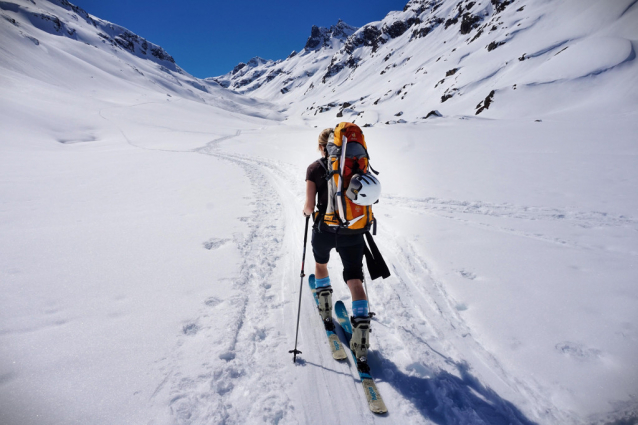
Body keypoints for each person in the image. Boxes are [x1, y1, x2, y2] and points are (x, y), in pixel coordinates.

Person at [303, 128, 371, 361]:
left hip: (324, 230)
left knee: (321, 265)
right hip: (353, 231)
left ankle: (324, 305)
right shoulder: (356, 166)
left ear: (322, 147)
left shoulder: (314, 169)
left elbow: (310, 207)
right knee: (354, 279)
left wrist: (306, 211)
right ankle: (361, 333)